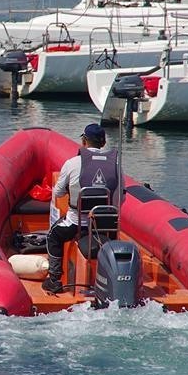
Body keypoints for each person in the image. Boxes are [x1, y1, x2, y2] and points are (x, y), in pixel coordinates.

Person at [43, 123, 120, 293]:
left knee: (53, 237)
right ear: (104, 142)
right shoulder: (115, 166)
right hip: (105, 226)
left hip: (76, 223)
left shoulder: (72, 163)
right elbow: (119, 198)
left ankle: (54, 279)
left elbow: (58, 192)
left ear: (84, 141)